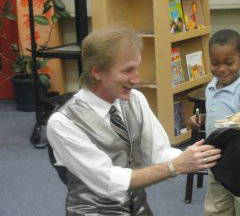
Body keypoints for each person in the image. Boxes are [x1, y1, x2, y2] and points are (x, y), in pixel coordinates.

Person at [47, 25, 221, 216]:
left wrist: (202, 156)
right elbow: (108, 181)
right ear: (97, 72)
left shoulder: (134, 99)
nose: (136, 79)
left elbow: (159, 152)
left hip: (138, 207)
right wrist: (175, 166)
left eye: (136, 68)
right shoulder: (63, 123)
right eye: (127, 71)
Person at [188, 29, 240, 216]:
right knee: (216, 210)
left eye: (228, 63)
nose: (221, 69)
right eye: (215, 63)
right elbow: (219, 113)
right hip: (217, 161)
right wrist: (202, 119)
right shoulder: (212, 86)